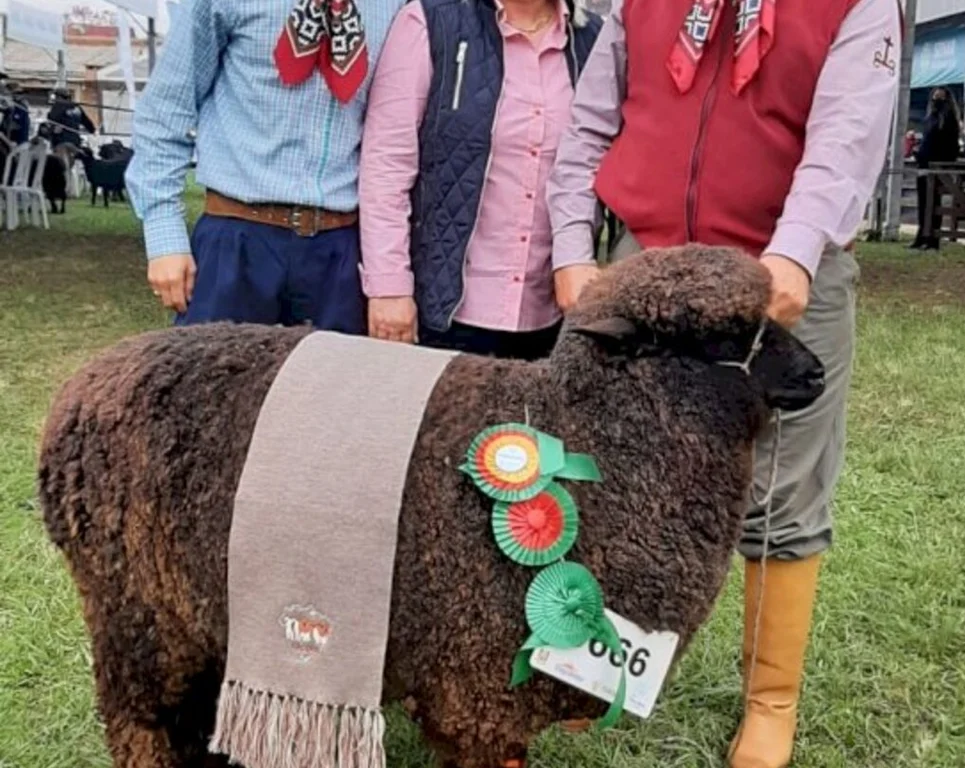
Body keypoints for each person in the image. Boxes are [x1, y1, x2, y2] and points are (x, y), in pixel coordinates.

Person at [546, 0, 899, 765]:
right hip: (652, 267)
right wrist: (572, 244)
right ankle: (595, 660)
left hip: (780, 270)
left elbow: (844, 142)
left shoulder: (857, 6)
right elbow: (587, 128)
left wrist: (797, 252)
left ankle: (770, 703)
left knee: (784, 488)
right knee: (612, 473)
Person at [126, 0, 405, 329]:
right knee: (217, 378)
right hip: (236, 240)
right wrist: (165, 238)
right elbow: (166, 111)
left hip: (338, 249)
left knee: (332, 380)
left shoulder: (395, 6)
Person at [359, 0, 602, 360]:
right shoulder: (432, 22)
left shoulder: (589, 40)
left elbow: (591, 162)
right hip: (443, 313)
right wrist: (388, 286)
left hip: (548, 320)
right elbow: (387, 164)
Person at [909, 87, 961, 250]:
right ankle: (922, 235)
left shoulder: (947, 119)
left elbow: (950, 146)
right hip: (924, 164)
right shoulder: (930, 117)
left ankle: (932, 238)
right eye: (934, 97)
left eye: (939, 97)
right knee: (923, 202)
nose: (936, 100)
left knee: (934, 203)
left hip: (936, 165)